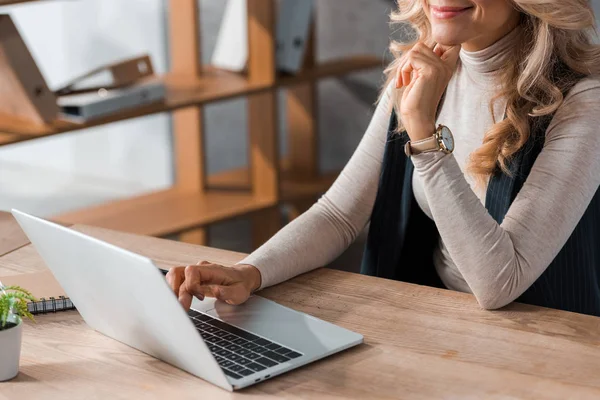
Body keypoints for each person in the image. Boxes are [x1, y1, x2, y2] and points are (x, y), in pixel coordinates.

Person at [168, 0, 600, 316]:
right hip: (437, 319)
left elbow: (499, 283)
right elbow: (338, 214)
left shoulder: (585, 102)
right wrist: (248, 272)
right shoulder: (420, 73)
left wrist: (423, 133)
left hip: (544, 345)